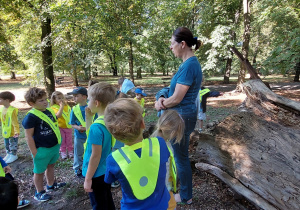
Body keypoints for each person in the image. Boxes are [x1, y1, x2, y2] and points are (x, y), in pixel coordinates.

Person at [155, 27, 203, 205]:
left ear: (182, 44)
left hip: (181, 117)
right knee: (179, 156)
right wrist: (162, 97)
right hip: (182, 115)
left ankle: (185, 196)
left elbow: (176, 97)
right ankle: (184, 193)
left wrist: (160, 103)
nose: (170, 47)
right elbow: (172, 92)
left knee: (181, 157)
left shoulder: (190, 65)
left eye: (172, 43)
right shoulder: (188, 65)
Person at [104, 98, 170, 210]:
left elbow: (109, 179)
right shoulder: (159, 144)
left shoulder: (114, 159)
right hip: (161, 206)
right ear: (143, 124)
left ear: (113, 134)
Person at [22, 87, 66, 202]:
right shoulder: (30, 117)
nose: (45, 102)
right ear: (32, 103)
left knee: (51, 166)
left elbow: (54, 119)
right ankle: (39, 192)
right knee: (39, 171)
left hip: (53, 146)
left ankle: (51, 185)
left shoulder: (49, 110)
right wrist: (34, 152)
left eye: (45, 99)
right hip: (41, 149)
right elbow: (29, 136)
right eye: (41, 101)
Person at [83, 82, 116, 210]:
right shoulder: (108, 120)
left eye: (89, 100)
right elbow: (91, 138)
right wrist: (88, 119)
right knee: (106, 199)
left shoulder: (96, 128)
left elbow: (95, 155)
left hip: (95, 174)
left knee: (99, 204)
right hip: (105, 169)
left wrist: (88, 178)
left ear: (96, 103)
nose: (87, 103)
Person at [151, 110, 185, 210]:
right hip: (163, 193)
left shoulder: (151, 142)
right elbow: (164, 175)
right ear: (174, 132)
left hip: (155, 192)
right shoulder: (165, 148)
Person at [68, 87, 89, 178]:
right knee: (78, 152)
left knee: (89, 151)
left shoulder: (91, 107)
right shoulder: (74, 109)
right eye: (74, 96)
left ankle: (87, 167)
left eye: (76, 96)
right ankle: (77, 167)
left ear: (84, 97)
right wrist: (77, 127)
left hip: (90, 135)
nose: (74, 98)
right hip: (79, 136)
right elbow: (71, 123)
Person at [50, 91, 73, 159]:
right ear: (54, 100)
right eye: (59, 98)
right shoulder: (53, 107)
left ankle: (70, 151)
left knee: (69, 139)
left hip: (68, 126)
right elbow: (58, 115)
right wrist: (61, 107)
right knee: (62, 140)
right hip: (60, 127)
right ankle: (63, 151)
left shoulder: (67, 106)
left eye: (62, 98)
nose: (61, 100)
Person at [0, 91, 20, 164]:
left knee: (12, 143)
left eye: (0, 99)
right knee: (6, 143)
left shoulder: (12, 110)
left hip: (12, 132)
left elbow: (15, 122)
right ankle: (8, 153)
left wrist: (16, 131)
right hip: (5, 131)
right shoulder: (2, 109)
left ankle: (13, 154)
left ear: (7, 100)